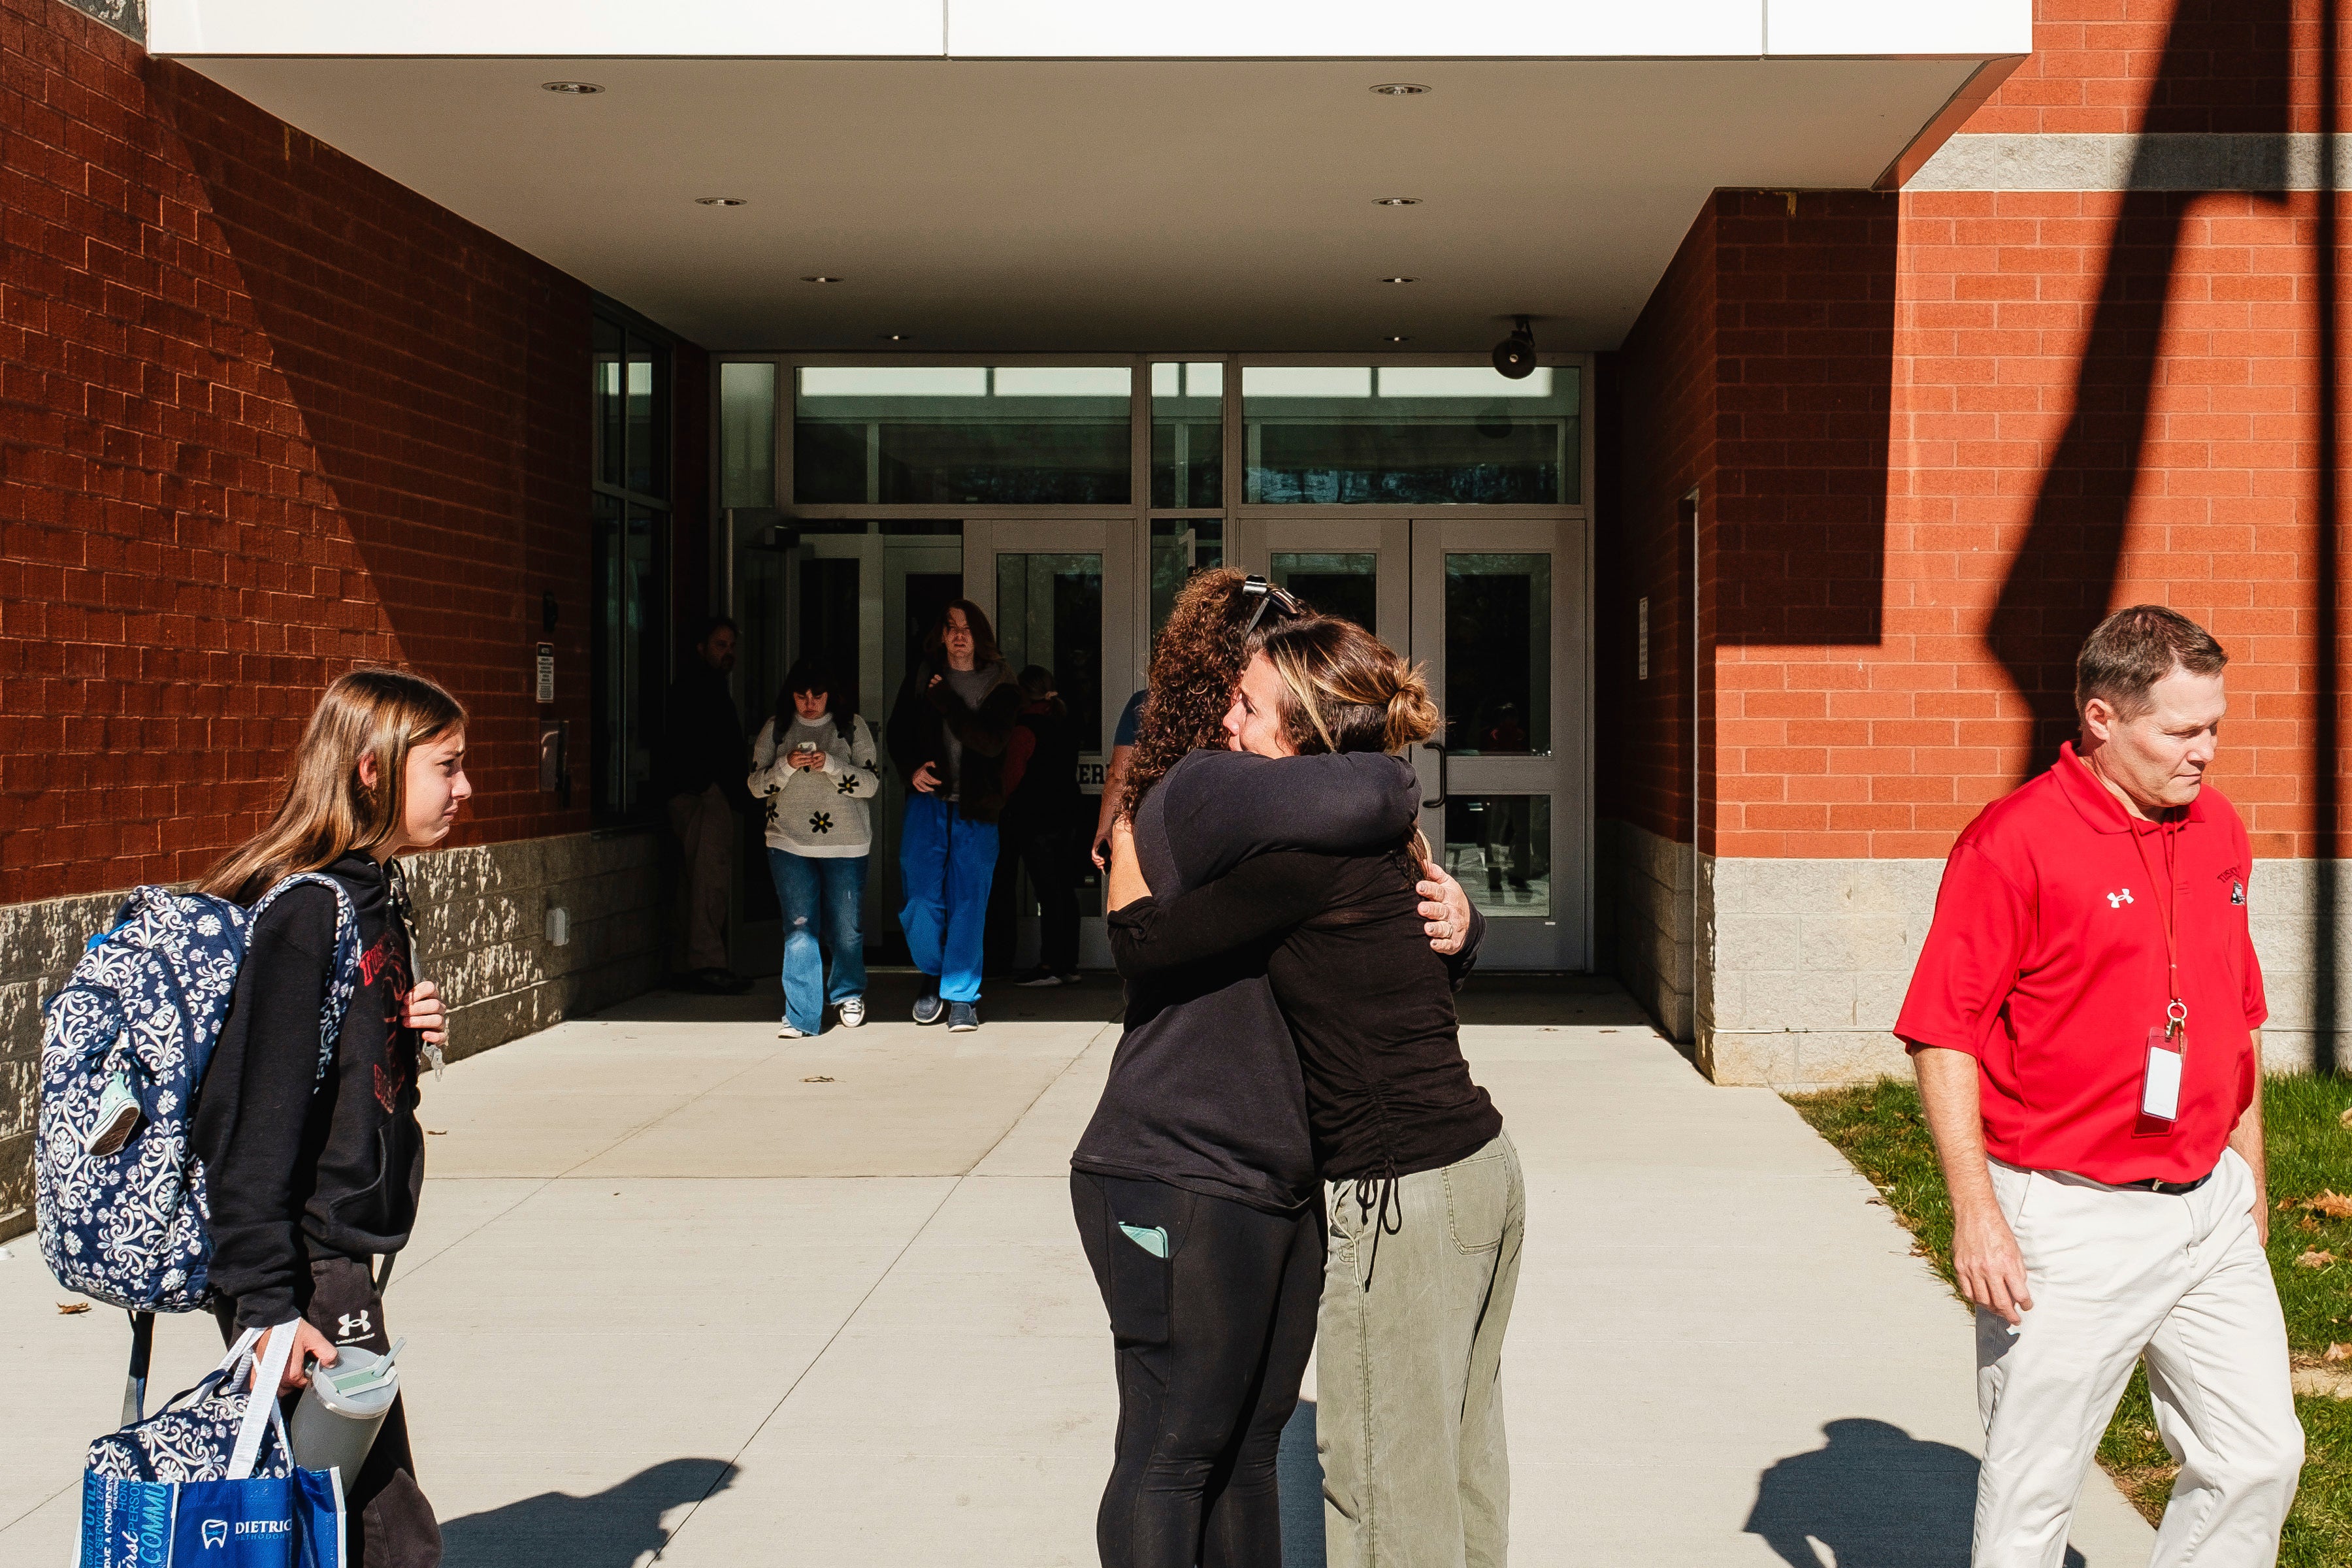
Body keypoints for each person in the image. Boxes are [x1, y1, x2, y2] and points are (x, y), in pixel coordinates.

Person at [1068, 570, 1477, 1568]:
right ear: (1225, 684)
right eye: (1259, 668)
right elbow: (1379, 783)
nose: (1269, 684)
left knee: (1248, 1451)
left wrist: (1456, 929)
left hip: (1278, 1172)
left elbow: (1367, 928)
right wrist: (1393, 768)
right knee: (1172, 1453)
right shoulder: (1215, 787)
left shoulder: (1283, 805)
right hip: (1180, 1157)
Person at [1894, 605, 2302, 1568]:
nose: (2205, 752)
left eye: (2215, 728)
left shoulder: (2218, 828)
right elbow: (1941, 1033)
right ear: (2102, 719)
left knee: (2259, 1457)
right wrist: (1975, 1212)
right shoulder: (2013, 841)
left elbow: (2234, 1018)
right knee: (2034, 1495)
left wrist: (2251, 1182)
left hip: (2209, 1209)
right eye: (2181, 731)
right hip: (2069, 1221)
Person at [191, 668, 470, 1568]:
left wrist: (397, 1033)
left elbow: (343, 1089)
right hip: (308, 1270)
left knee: (339, 1525)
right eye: (448, 767)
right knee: (388, 1529)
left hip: (337, 1256)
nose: (465, 790)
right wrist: (268, 1307)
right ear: (372, 771)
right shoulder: (310, 909)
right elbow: (252, 1122)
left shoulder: (374, 891)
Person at [886, 600, 1022, 1032]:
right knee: (921, 897)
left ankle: (961, 995)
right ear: (941, 635)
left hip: (978, 807)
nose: (959, 635)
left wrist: (948, 702)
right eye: (951, 628)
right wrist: (911, 768)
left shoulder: (1001, 684)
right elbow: (897, 731)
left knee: (968, 903)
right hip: (928, 803)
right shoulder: (924, 675)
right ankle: (933, 970)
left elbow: (988, 741)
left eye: (968, 628)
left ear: (981, 636)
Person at [750, 659, 881, 1037]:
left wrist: (833, 766)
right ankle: (801, 1016)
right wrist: (787, 766)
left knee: (847, 927)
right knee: (799, 926)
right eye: (801, 696)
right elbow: (757, 787)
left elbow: (871, 785)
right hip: (788, 839)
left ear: (831, 696)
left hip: (847, 841)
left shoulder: (851, 726)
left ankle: (848, 993)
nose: (809, 704)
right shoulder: (776, 729)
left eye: (818, 696)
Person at [659, 615, 755, 994]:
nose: (728, 653)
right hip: (702, 796)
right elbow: (699, 745)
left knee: (693, 880)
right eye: (720, 645)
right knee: (709, 881)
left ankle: (689, 964)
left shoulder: (705, 685)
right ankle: (708, 964)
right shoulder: (698, 686)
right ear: (701, 648)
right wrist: (710, 788)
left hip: (695, 793)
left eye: (732, 646)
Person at [989, 664, 1086, 987]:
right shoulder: (1064, 722)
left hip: (1036, 819)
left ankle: (1050, 965)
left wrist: (994, 803)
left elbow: (1011, 778)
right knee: (1064, 890)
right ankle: (1068, 964)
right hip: (1069, 814)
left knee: (1048, 892)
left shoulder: (1024, 729)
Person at [1092, 688, 1147, 872]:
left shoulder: (1143, 702)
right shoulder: (1225, 701)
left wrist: (1104, 830)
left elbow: (1119, 774)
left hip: (1150, 823)